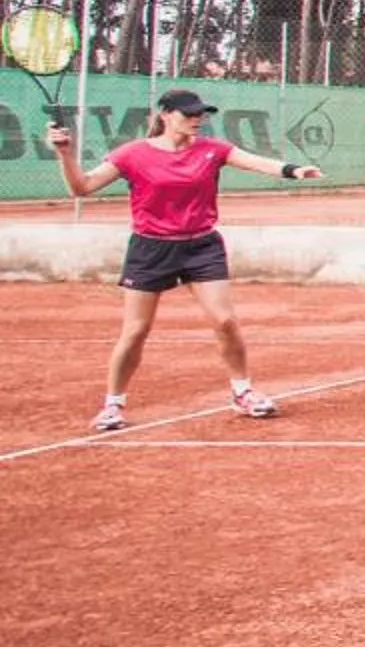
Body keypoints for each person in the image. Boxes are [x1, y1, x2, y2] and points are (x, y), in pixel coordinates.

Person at [46, 89, 322, 433]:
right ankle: (113, 405)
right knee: (135, 331)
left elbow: (256, 161)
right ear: (165, 115)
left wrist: (293, 170)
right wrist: (65, 154)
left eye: (201, 113)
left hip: (201, 246)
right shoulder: (133, 154)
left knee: (225, 321)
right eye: (189, 113)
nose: (197, 118)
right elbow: (82, 188)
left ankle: (242, 392)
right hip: (150, 249)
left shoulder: (212, 149)